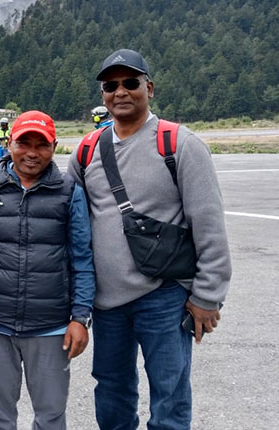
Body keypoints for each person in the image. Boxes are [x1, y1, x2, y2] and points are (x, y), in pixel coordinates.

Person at [68, 48, 232, 429]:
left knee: (170, 395)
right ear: (104, 94)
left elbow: (208, 225)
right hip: (106, 303)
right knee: (110, 391)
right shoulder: (88, 149)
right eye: (111, 85)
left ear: (149, 88)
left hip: (165, 296)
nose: (120, 92)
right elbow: (69, 221)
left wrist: (207, 297)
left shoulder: (179, 144)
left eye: (130, 83)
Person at [0, 110, 96, 430]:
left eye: (41, 145)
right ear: (10, 143)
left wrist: (80, 317)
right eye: (24, 143)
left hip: (51, 327)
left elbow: (82, 258)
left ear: (54, 146)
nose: (32, 152)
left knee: (51, 417)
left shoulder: (69, 191)